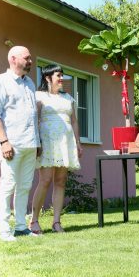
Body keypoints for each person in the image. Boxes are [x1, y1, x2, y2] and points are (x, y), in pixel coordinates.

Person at [0, 46, 41, 242]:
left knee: (25, 186)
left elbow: (32, 115)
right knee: (8, 185)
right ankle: (4, 230)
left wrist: (37, 142)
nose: (30, 61)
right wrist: (4, 141)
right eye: (27, 58)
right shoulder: (0, 82)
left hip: (30, 143)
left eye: (30, 57)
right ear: (13, 58)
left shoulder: (30, 83)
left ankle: (20, 227)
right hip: (12, 144)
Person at [30, 64, 82, 234]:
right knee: (44, 180)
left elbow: (74, 121)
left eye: (62, 76)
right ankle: (34, 221)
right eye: (58, 75)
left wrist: (78, 143)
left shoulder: (68, 97)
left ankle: (56, 222)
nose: (62, 79)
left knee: (61, 181)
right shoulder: (39, 96)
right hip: (47, 142)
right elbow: (35, 119)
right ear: (47, 78)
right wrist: (37, 142)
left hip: (65, 143)